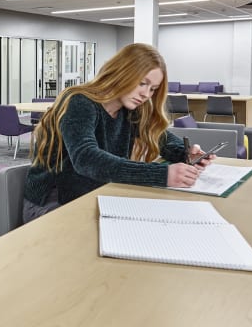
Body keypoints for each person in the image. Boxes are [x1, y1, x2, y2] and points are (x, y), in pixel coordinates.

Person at [22, 42, 214, 224]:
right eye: (141, 83)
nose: (146, 94)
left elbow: (160, 138)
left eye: (152, 89)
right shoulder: (79, 101)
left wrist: (186, 152)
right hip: (53, 203)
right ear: (121, 73)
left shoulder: (130, 108)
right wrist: (161, 174)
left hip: (97, 193)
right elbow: (86, 159)